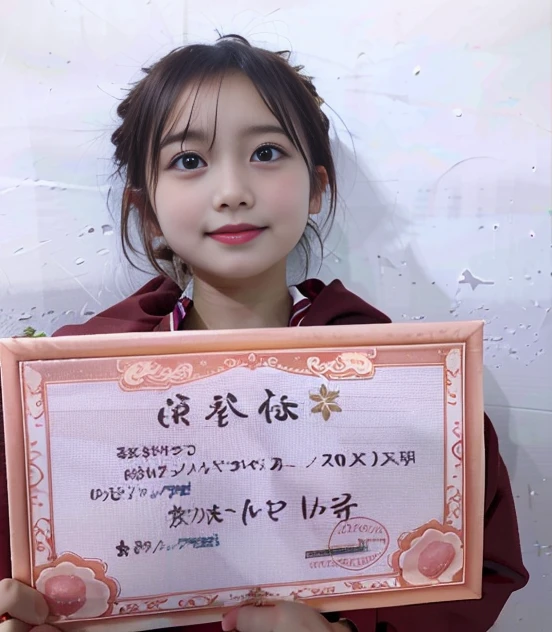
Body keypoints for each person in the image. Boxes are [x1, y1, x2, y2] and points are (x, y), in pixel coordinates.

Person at [0, 34, 528, 632]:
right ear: (147, 208)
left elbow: (476, 575)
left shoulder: (412, 387)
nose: (232, 192)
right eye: (189, 160)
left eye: (268, 152)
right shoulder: (68, 394)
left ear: (318, 188)